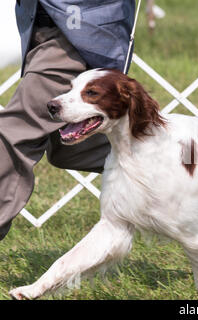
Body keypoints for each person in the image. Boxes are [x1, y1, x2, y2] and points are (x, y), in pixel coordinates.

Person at [0, 1, 136, 240]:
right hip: (41, 27)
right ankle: (177, 163)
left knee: (15, 134)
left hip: (78, 30)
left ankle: (182, 161)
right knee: (68, 149)